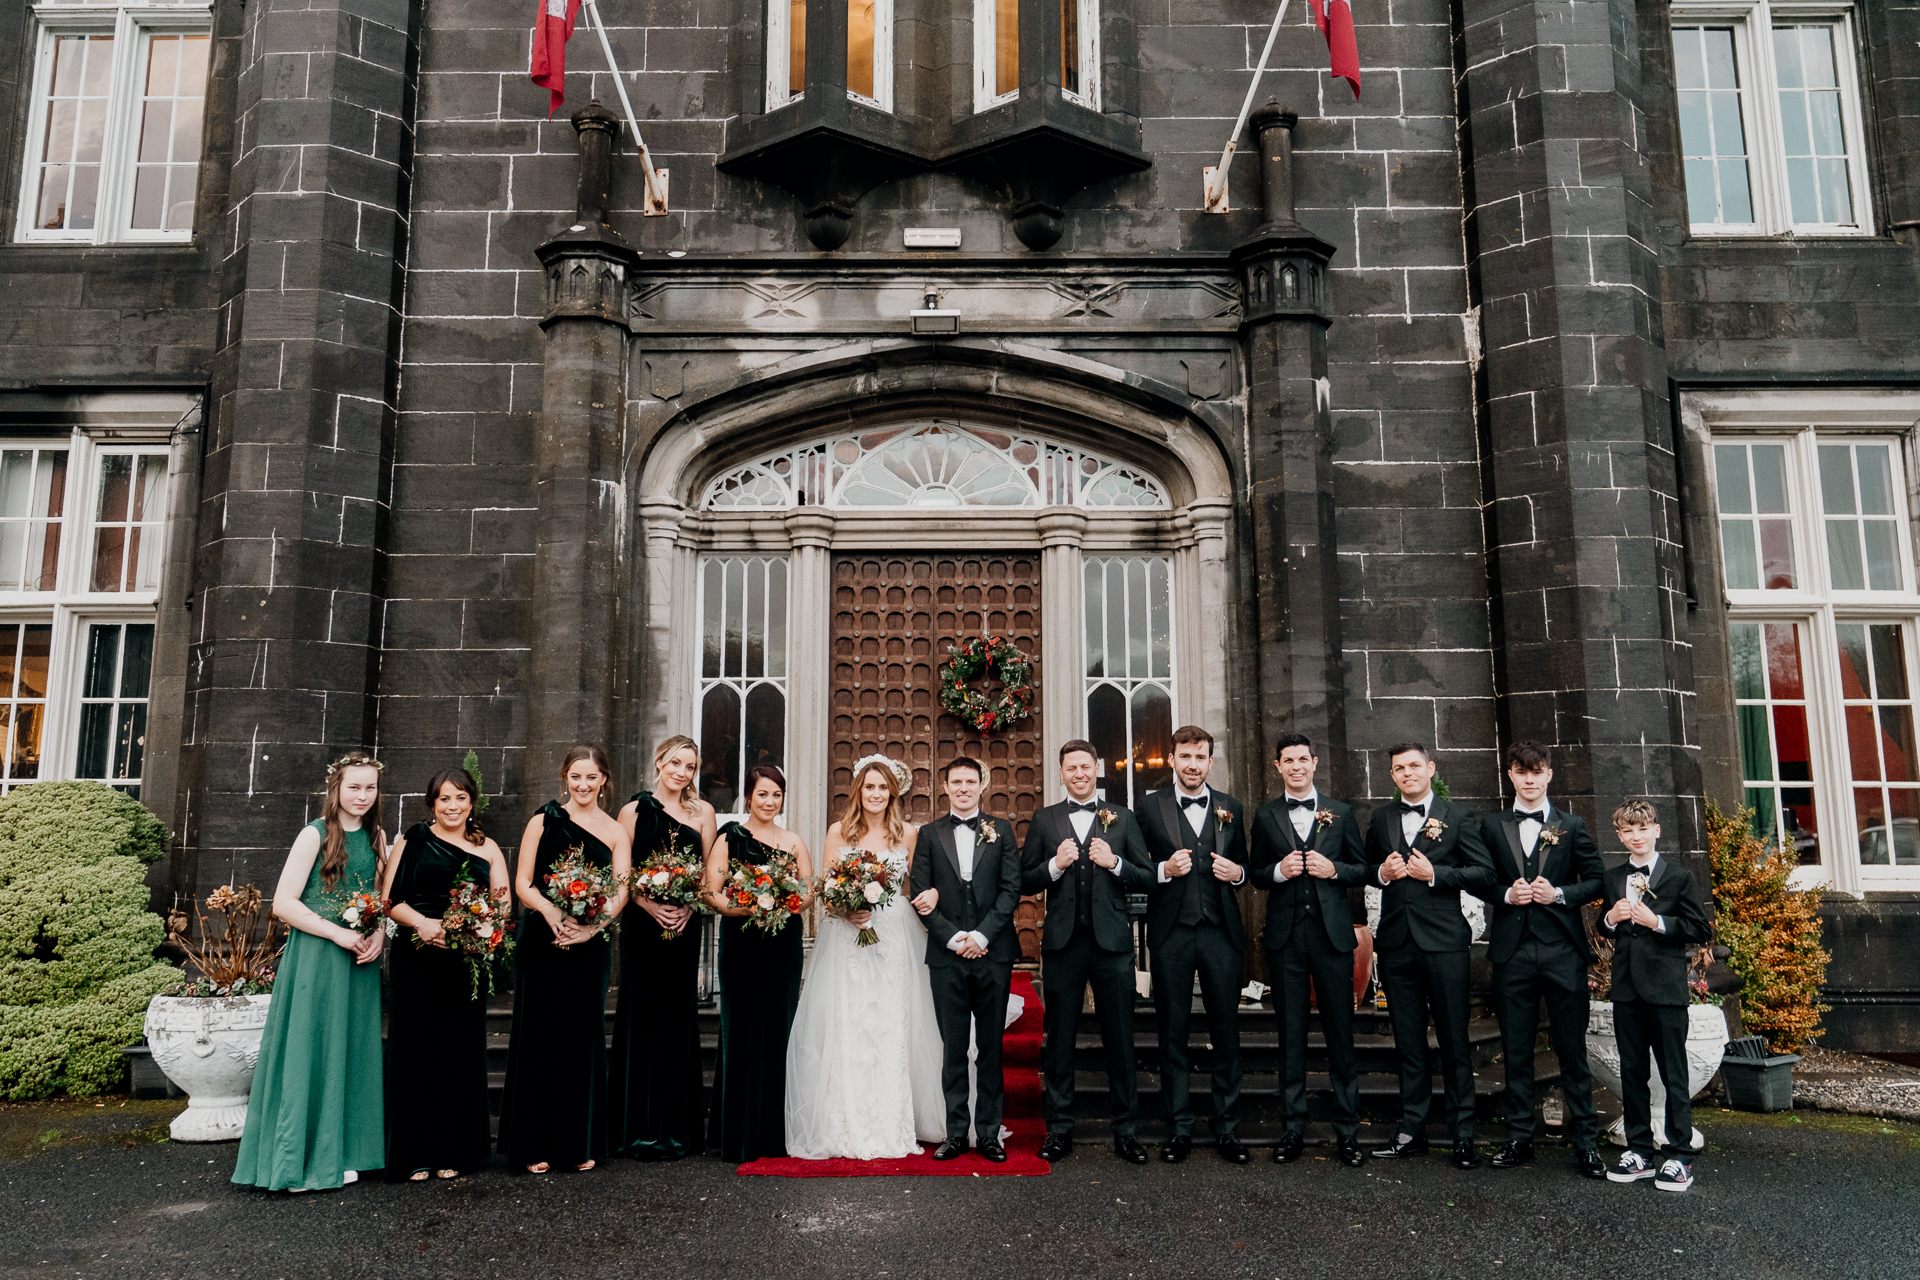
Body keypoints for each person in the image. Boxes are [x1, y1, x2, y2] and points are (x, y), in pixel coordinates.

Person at [232, 753, 388, 1192]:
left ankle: (345, 1153)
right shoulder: (313, 835)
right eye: (354, 787)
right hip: (318, 957)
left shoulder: (377, 837)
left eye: (370, 788)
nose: (362, 796)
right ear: (336, 788)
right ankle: (298, 1161)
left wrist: (379, 937)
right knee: (311, 1048)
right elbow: (283, 904)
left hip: (359, 959)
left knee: (350, 1051)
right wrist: (335, 934)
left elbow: (379, 898)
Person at [784, 755, 945, 1159]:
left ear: (893, 792)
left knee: (892, 1021)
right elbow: (824, 888)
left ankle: (892, 1119)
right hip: (848, 937)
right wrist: (845, 908)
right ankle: (844, 1119)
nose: (876, 794)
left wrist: (935, 894)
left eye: (882, 787)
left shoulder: (907, 833)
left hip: (892, 935)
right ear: (859, 790)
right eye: (869, 787)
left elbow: (921, 884)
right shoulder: (840, 831)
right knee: (849, 1021)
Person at [497, 744, 631, 1174]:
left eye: (592, 777)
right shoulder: (543, 821)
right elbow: (523, 882)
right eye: (576, 776)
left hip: (589, 946)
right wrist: (551, 911)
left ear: (604, 780)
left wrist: (595, 927)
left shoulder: (614, 831)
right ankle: (531, 1144)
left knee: (580, 1040)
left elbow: (621, 888)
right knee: (539, 1035)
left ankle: (577, 1142)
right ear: (565, 777)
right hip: (543, 940)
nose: (584, 784)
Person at [1021, 739, 1156, 1164]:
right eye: (1071, 768)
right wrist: (1054, 866)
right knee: (1059, 1040)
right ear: (1061, 773)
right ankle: (1059, 1131)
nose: (1079, 774)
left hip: (1113, 944)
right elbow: (1025, 881)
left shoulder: (1123, 818)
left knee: (1119, 1036)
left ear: (1096, 768)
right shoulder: (1045, 820)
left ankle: (1127, 1131)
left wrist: (1115, 863)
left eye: (1085, 766)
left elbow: (1147, 877)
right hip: (1062, 944)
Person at [1476, 741, 1606, 1179]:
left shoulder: (1572, 824)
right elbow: (1482, 880)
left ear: (1549, 775)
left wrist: (1561, 894)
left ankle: (1586, 1141)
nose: (1529, 779)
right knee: (1516, 1050)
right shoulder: (1492, 825)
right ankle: (1518, 1138)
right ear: (1510, 775)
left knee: (1572, 1049)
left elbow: (1596, 879)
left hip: (1562, 951)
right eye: (1521, 771)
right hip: (1511, 952)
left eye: (1537, 771)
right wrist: (1506, 894)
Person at [1364, 741, 1495, 1169]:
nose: (1407, 773)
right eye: (1399, 768)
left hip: (1444, 944)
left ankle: (1462, 1134)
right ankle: (1412, 1129)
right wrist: (1382, 873)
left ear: (1430, 768)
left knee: (1455, 1039)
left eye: (1414, 766)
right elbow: (1367, 867)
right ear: (1392, 775)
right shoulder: (1382, 819)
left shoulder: (1457, 817)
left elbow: (1484, 874)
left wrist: (1436, 874)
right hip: (1397, 943)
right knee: (1408, 1041)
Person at [380, 766, 511, 1181]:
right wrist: (422, 922)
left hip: (463, 963)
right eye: (444, 799)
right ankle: (414, 1153)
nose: (452, 806)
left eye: (460, 798)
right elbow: (389, 899)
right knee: (416, 1052)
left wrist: (477, 929)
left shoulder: (488, 847)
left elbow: (502, 905)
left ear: (472, 803)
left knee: (457, 1055)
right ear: (432, 803)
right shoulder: (413, 839)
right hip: (416, 958)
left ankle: (454, 1150)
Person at [1247, 732, 1368, 1168]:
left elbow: (1362, 868)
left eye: (1303, 759)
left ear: (1315, 763)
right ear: (1277, 766)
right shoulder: (1265, 815)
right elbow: (1256, 871)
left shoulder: (1340, 812)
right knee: (1291, 1037)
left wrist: (1334, 868)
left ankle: (1347, 1132)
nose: (1296, 766)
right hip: (1285, 939)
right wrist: (1277, 871)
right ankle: (1292, 1128)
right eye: (1288, 760)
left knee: (1340, 1037)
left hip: (1332, 938)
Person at [1140, 725, 1251, 1165]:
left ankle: (1227, 1128)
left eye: (1200, 756)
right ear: (1172, 759)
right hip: (1171, 933)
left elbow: (1245, 864)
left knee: (1226, 1030)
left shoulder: (1231, 807)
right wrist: (1163, 869)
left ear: (1210, 760)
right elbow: (1135, 866)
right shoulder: (1149, 808)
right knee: (1173, 1032)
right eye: (1184, 756)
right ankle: (1179, 1128)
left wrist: (1237, 875)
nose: (1192, 764)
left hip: (1221, 931)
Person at [907, 756, 1023, 1163]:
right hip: (947, 957)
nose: (963, 788)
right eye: (955, 781)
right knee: (953, 1048)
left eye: (970, 781)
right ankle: (956, 1133)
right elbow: (920, 893)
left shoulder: (1002, 830)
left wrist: (981, 935)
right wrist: (956, 938)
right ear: (945, 786)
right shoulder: (929, 834)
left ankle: (989, 1134)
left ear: (981, 785)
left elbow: (1012, 889)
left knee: (990, 1048)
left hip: (993, 954)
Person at [610, 735, 716, 1160]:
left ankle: (677, 1130)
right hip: (642, 925)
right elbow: (622, 873)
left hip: (684, 926)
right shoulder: (632, 811)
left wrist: (690, 905)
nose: (681, 772)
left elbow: (710, 874)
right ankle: (635, 1129)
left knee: (676, 1017)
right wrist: (648, 902)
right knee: (641, 1015)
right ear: (660, 762)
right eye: (675, 763)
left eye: (689, 767)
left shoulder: (703, 812)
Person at [1600, 799, 1711, 1192]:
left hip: (1665, 990)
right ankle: (1640, 1150)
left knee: (1672, 1073)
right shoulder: (1613, 876)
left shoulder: (1679, 877)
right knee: (1631, 1072)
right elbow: (1604, 924)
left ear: (1656, 831)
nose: (1636, 836)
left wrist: (1658, 921)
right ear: (1619, 835)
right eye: (1628, 831)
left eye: (1643, 829)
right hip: (1627, 989)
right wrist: (1611, 918)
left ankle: (1679, 1154)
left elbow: (1700, 928)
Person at [703, 764, 812, 1162]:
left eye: (776, 795)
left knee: (779, 1030)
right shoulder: (729, 838)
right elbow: (711, 893)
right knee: (743, 1032)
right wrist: (748, 907)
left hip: (782, 948)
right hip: (743, 946)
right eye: (762, 794)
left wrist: (784, 902)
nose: (769, 801)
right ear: (748, 796)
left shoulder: (793, 840)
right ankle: (740, 1133)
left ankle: (775, 1133)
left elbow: (808, 892)